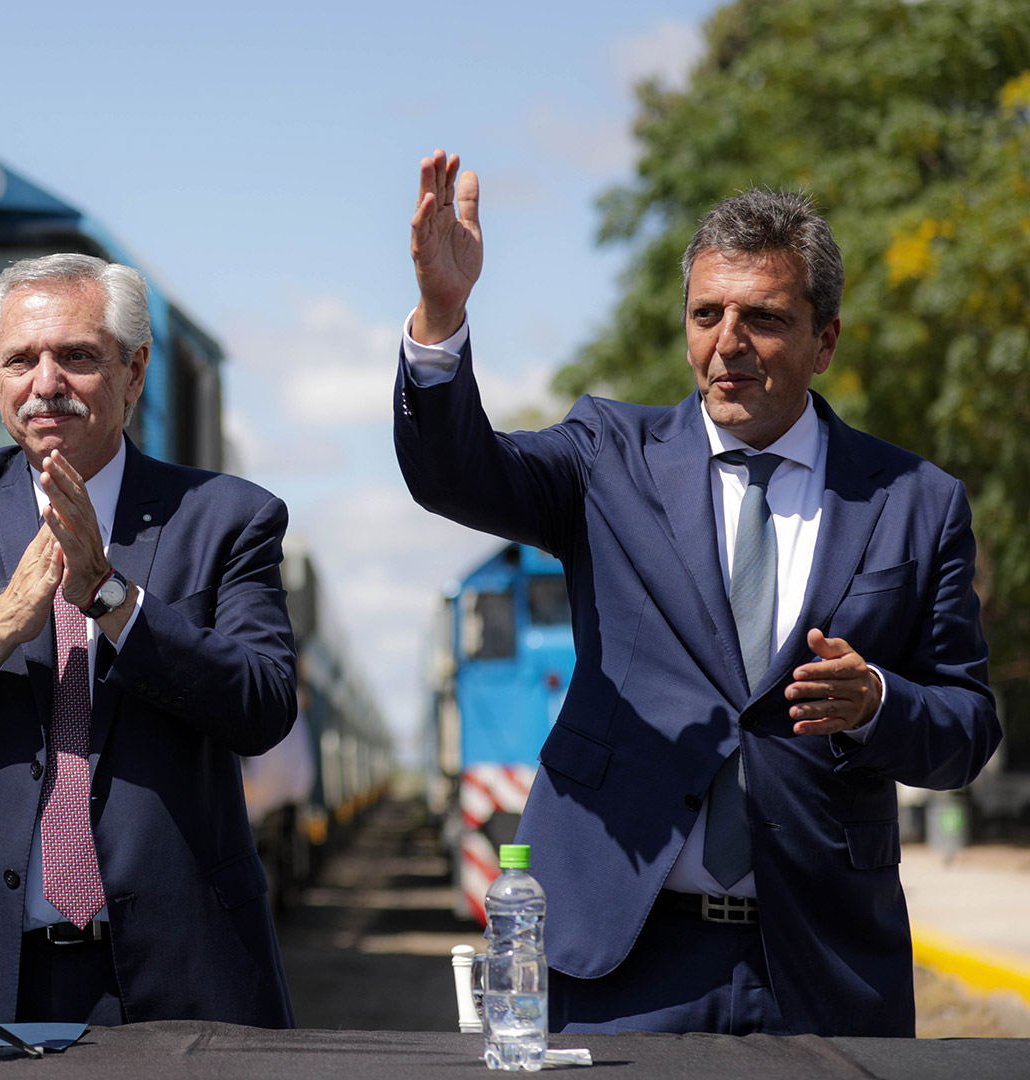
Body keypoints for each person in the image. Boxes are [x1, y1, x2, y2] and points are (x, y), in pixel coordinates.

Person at [395, 152, 1000, 1036]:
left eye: (763, 318)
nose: (728, 343)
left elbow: (965, 730)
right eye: (707, 314)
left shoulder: (916, 502)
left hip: (823, 963)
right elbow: (457, 473)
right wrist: (442, 319)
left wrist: (876, 702)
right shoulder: (608, 455)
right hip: (620, 957)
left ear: (825, 340)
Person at [0, 254, 297, 1028]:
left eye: (77, 356)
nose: (46, 383)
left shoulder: (227, 518)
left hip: (173, 982)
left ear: (135, 373)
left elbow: (263, 707)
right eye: (21, 360)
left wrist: (112, 600)